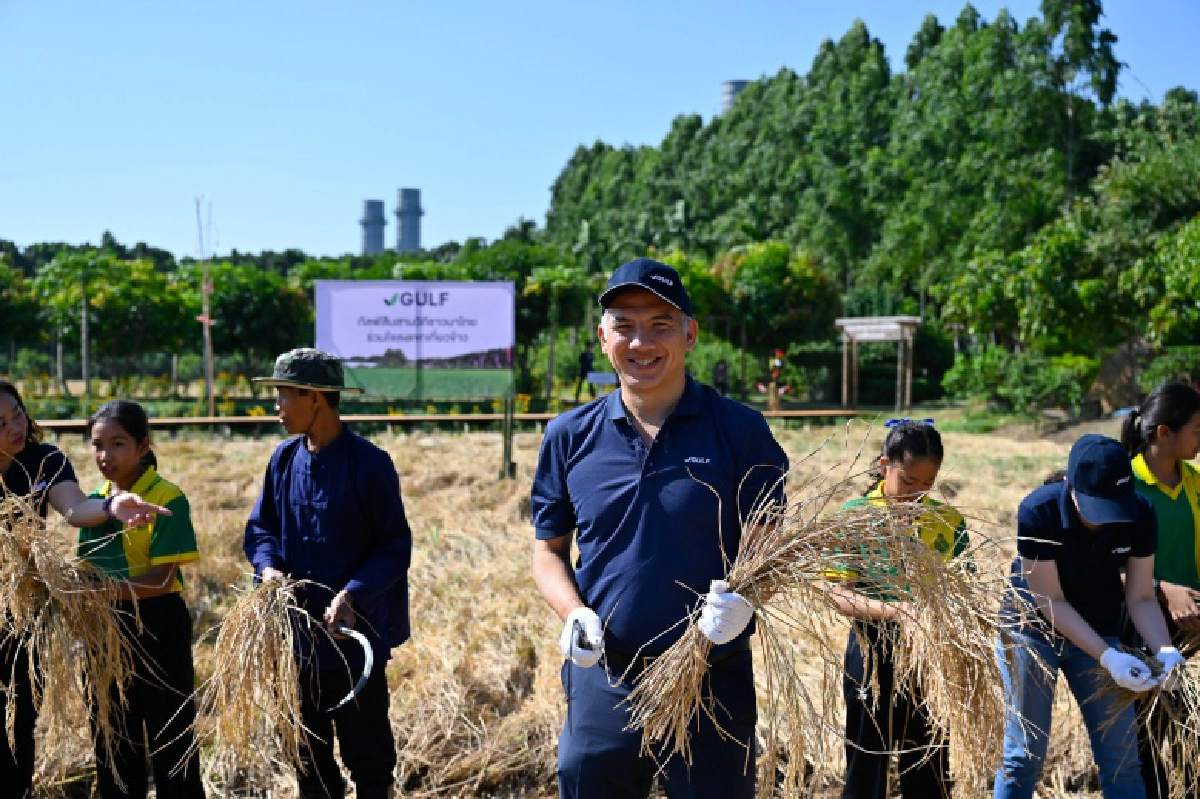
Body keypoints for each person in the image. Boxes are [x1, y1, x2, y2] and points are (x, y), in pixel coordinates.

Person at [531, 257, 789, 799]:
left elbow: (770, 541)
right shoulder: (568, 435)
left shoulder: (739, 430)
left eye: (660, 325)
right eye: (624, 326)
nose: (641, 342)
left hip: (711, 675)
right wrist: (573, 612)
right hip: (606, 673)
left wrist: (747, 598)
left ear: (689, 335)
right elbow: (549, 550)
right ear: (603, 337)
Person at [244, 349, 412, 799]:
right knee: (309, 764)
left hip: (353, 643)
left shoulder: (369, 464)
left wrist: (353, 594)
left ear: (315, 398)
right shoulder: (283, 461)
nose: (277, 406)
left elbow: (394, 546)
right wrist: (269, 569)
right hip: (296, 643)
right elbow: (262, 529)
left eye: (284, 395)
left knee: (370, 763)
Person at [0, 381, 167, 798]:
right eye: (1, 424)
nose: (15, 427)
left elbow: (75, 508)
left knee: (19, 717)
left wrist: (111, 506)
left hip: (23, 614)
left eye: (17, 414)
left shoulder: (44, 460)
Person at [993, 434, 1184, 799]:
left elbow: (1141, 596)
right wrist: (1109, 657)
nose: (1104, 520)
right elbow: (1051, 601)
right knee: (1023, 756)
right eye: (1096, 507)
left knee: (1122, 758)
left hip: (1098, 621)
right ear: (1070, 485)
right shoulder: (1038, 511)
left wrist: (1164, 650)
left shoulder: (1141, 513)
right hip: (1031, 628)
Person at [826, 418, 965, 799]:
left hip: (929, 652)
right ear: (885, 465)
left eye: (927, 484)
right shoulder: (855, 517)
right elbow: (839, 595)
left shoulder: (947, 522)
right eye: (908, 481)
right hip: (871, 651)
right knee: (866, 758)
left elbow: (962, 588)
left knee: (928, 761)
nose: (916, 495)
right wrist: (899, 611)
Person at [78, 400, 204, 797]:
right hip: (105, 630)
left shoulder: (166, 498)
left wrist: (100, 592)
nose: (105, 455)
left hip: (157, 625)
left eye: (117, 444)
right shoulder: (95, 504)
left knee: (172, 739)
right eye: (98, 445)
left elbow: (162, 580)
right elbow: (86, 570)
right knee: (113, 741)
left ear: (143, 445)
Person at [1120, 381, 1200, 798]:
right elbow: (1101, 567)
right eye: (1197, 430)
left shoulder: (1196, 483)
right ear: (1164, 433)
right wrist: (1164, 590)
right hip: (1140, 631)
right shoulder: (1122, 486)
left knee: (1191, 739)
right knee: (1146, 742)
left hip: (1194, 631)